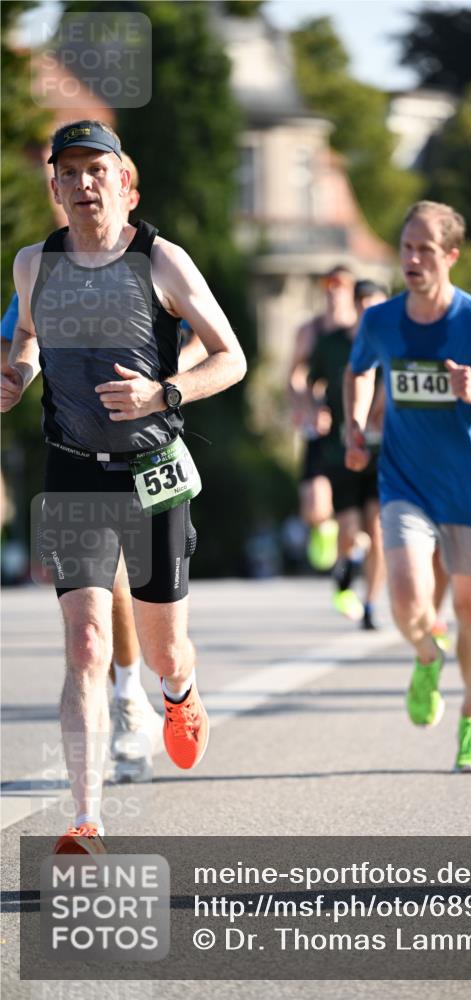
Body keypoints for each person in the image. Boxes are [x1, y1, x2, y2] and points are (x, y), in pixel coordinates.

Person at [0, 120, 247, 851]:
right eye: (67, 173)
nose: (81, 185)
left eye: (94, 171)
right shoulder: (32, 265)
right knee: (84, 642)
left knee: (166, 647)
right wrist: (15, 376)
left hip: (152, 471)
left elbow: (232, 356)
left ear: (122, 181)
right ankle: (88, 819)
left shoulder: (160, 260)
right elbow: (26, 343)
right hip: (72, 468)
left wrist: (163, 393)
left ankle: (178, 691)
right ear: (55, 187)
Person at [344, 200, 471, 774]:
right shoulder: (381, 320)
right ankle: (427, 654)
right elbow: (359, 370)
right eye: (406, 248)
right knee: (404, 598)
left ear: (451, 255)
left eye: (425, 249)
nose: (413, 259)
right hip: (405, 481)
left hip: (469, 488)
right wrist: (354, 421)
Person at [307, 279, 387, 629]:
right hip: (342, 450)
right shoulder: (332, 343)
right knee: (352, 531)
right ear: (355, 306)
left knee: (378, 529)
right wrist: (313, 409)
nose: (371, 312)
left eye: (378, 306)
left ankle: (370, 604)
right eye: (365, 304)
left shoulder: (395, 346)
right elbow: (311, 383)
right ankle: (349, 563)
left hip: (384, 453)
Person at [288, 265, 358, 572]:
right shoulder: (311, 330)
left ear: (352, 290)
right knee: (314, 505)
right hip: (321, 425)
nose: (333, 289)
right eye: (328, 283)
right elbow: (295, 376)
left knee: (356, 510)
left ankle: (352, 558)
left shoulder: (360, 331)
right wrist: (308, 406)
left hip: (354, 427)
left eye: (340, 284)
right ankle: (325, 529)